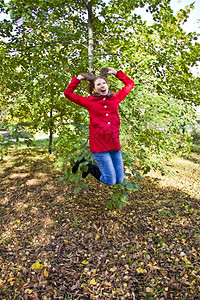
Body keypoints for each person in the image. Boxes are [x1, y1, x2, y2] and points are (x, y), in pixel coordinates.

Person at [64, 67, 134, 186]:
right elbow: (68, 93)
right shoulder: (89, 102)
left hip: (114, 145)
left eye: (104, 83)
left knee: (119, 180)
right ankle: (86, 164)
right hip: (99, 147)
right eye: (98, 84)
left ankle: (86, 164)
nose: (102, 86)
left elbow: (130, 84)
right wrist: (78, 79)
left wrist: (117, 73)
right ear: (94, 89)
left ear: (107, 85)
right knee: (110, 181)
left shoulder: (115, 99)